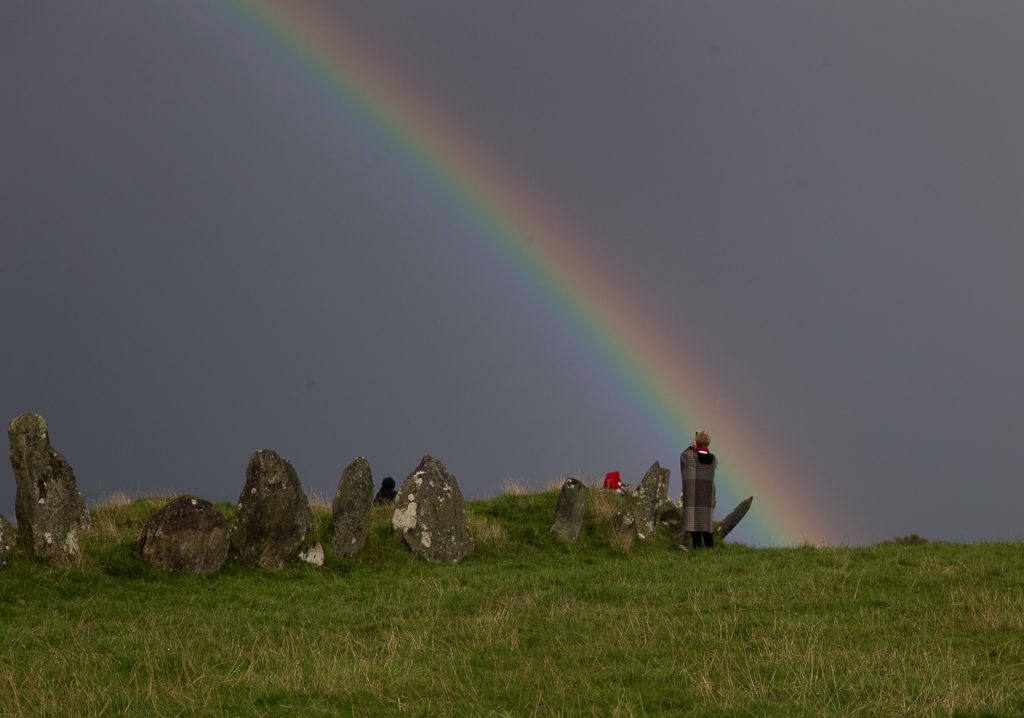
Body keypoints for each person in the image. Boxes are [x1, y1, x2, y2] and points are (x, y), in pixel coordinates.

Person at [680, 430, 717, 549]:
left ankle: (697, 549)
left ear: (697, 441)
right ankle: (710, 548)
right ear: (708, 443)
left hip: (692, 497)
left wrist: (691, 446)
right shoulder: (714, 459)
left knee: (693, 524)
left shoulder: (689, 456)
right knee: (706, 525)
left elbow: (682, 457)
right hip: (706, 498)